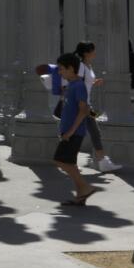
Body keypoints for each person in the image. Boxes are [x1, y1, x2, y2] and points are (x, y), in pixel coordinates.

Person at [53, 52, 96, 205]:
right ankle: (81, 195)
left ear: (71, 68)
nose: (59, 72)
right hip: (69, 132)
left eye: (61, 69)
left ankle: (85, 187)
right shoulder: (71, 85)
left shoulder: (78, 86)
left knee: (60, 161)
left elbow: (83, 110)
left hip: (74, 133)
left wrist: (70, 132)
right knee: (69, 162)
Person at [73, 42, 122, 172]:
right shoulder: (81, 67)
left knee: (89, 132)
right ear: (86, 53)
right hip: (82, 105)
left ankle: (101, 161)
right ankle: (102, 161)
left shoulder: (88, 66)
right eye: (93, 50)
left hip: (86, 105)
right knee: (92, 132)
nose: (95, 52)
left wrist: (94, 82)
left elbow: (86, 83)